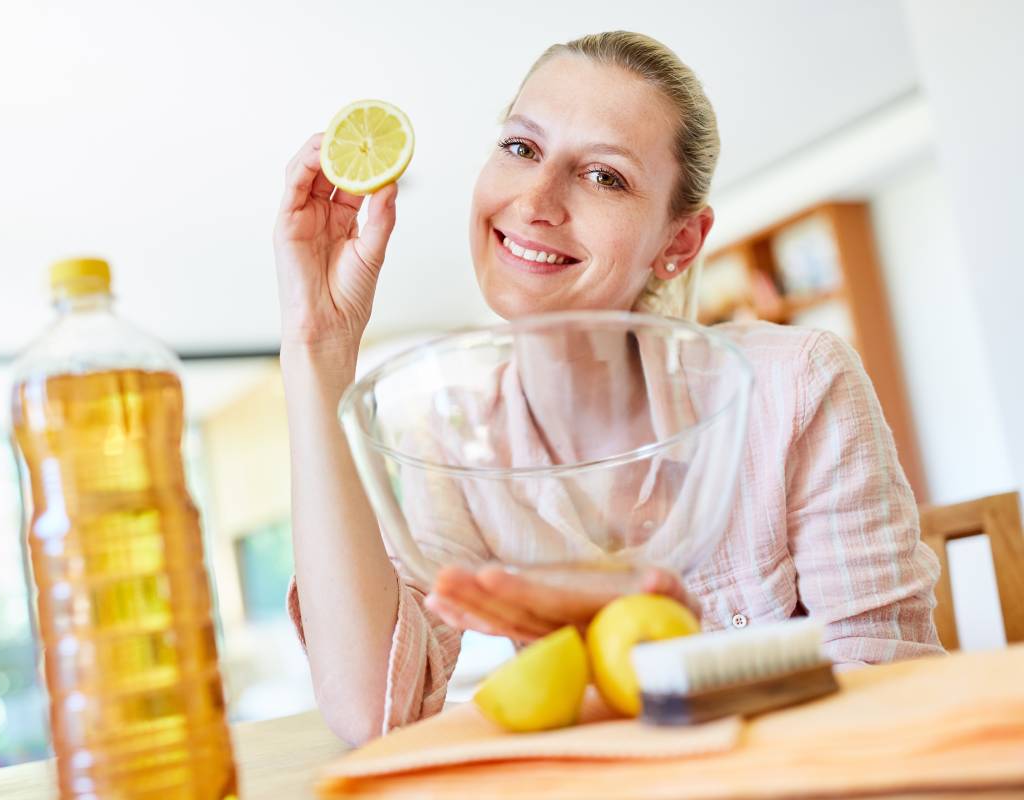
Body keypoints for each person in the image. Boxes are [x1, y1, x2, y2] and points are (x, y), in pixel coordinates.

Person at [272, 31, 943, 746]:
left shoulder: (796, 385)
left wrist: (663, 623)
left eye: (604, 177)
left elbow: (891, 691)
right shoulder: (453, 446)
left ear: (678, 244)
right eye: (522, 149)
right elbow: (372, 710)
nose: (536, 201)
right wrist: (318, 345)